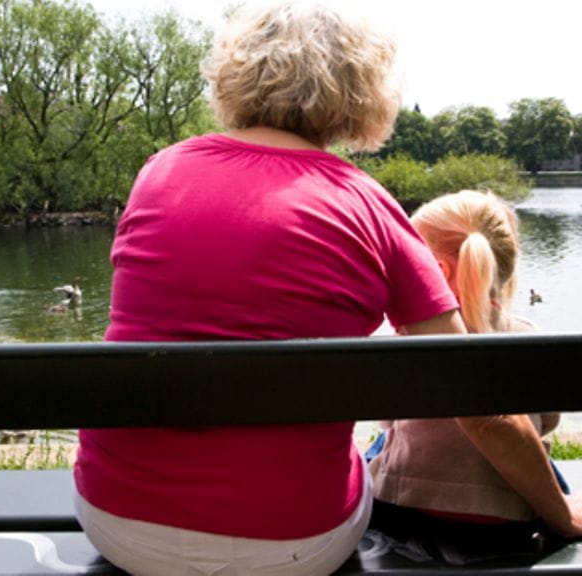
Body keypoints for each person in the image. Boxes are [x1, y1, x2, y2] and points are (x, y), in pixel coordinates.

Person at [72, 3, 465, 575]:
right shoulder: (367, 203)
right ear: (361, 90)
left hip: (118, 523)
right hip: (296, 544)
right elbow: (459, 370)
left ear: (235, 74)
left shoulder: (159, 172)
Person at [368, 190, 582, 560]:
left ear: (437, 271)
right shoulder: (528, 338)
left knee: (380, 444)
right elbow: (545, 423)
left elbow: (388, 419)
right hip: (504, 520)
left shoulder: (407, 340)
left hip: (404, 510)